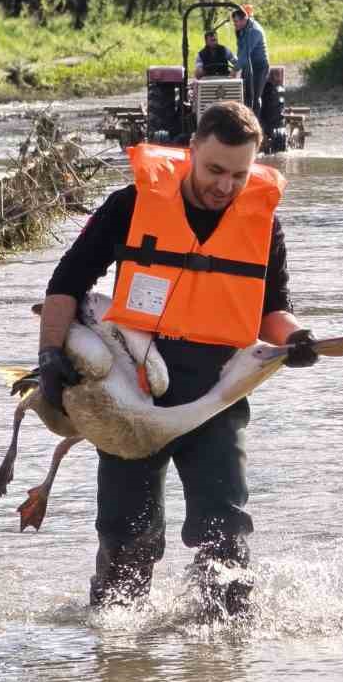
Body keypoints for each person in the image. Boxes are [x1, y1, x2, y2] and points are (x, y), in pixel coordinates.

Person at [36, 100, 317, 616]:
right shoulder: (129, 205)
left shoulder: (263, 223)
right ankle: (120, 661)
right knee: (127, 538)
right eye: (214, 170)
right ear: (191, 151)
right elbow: (66, 284)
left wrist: (298, 340)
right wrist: (50, 354)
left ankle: (222, 659)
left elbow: (274, 308)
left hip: (214, 396)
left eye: (238, 174)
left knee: (225, 532)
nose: (225, 186)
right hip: (129, 391)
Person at [230, 4, 270, 123]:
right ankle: (244, 122)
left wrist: (235, 70)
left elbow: (245, 53)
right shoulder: (242, 30)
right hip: (248, 65)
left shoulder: (254, 31)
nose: (235, 24)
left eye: (236, 21)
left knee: (255, 95)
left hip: (259, 66)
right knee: (245, 95)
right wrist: (234, 62)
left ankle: (255, 124)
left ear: (245, 19)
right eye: (234, 21)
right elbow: (240, 51)